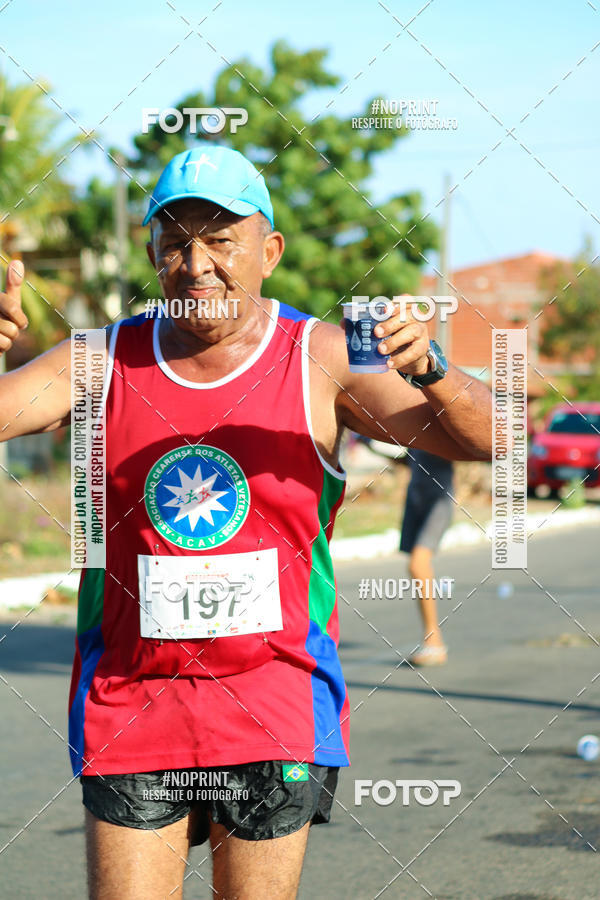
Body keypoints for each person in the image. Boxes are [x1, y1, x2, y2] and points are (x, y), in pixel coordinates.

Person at [0, 143, 492, 900]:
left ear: (270, 250)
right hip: (133, 703)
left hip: (276, 704)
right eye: (175, 241)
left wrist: (429, 369)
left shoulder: (321, 359)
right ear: (154, 255)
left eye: (222, 239)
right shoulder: (99, 360)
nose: (197, 263)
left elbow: (495, 441)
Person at [400, 448, 455, 666]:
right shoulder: (412, 422)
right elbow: (406, 458)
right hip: (415, 497)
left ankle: (435, 642)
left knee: (418, 564)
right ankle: (430, 638)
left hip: (439, 500)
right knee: (414, 565)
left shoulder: (441, 417)